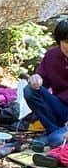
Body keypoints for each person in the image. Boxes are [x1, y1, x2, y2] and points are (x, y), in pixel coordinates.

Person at [24, 19, 68, 148]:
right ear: (59, 41)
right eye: (66, 42)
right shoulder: (51, 56)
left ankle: (55, 135)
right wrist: (36, 78)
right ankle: (54, 130)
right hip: (59, 106)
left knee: (56, 140)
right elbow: (41, 81)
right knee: (29, 90)